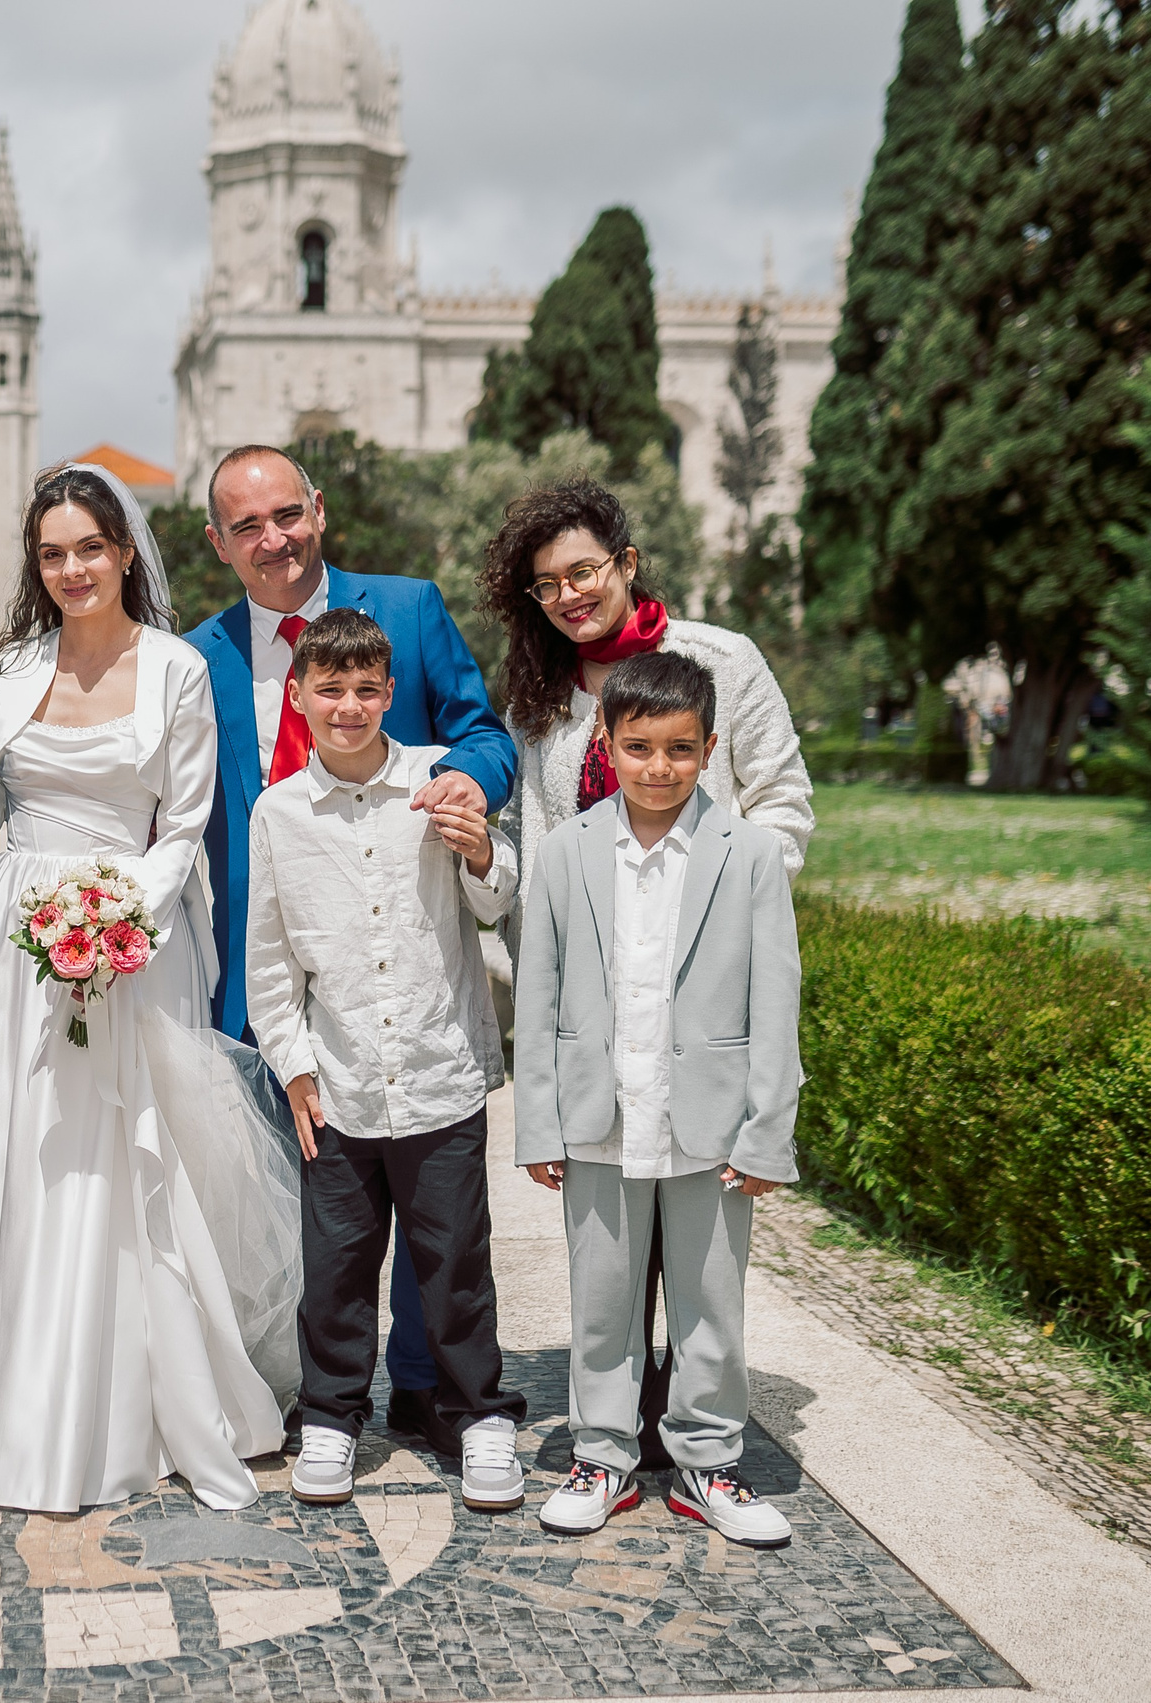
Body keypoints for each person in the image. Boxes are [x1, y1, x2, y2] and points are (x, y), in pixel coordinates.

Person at [0, 463, 301, 1514]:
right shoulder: (10, 668)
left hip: (130, 934)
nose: (72, 570)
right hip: (18, 938)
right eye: (52, 553)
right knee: (20, 1148)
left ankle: (137, 1399)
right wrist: (24, 912)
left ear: (125, 552)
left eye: (89, 548)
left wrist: (116, 923)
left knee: (121, 1156)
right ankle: (12, 1386)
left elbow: (184, 823)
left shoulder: (176, 670)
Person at [183, 443, 517, 1457]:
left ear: (318, 510)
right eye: (247, 525)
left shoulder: (406, 611)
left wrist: (466, 789)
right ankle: (306, 1389)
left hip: (406, 955)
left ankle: (429, 1384)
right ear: (218, 543)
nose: (273, 539)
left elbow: (483, 731)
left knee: (431, 1199)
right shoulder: (195, 656)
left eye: (287, 514)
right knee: (304, 1203)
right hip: (265, 967)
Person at [482, 475, 813, 1470]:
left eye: (584, 570)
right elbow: (529, 841)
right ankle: (612, 1429)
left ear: (626, 561)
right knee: (609, 1243)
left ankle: (696, 1425)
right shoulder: (539, 699)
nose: (569, 595)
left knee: (703, 1233)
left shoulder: (722, 661)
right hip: (598, 1000)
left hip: (703, 984)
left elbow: (781, 801)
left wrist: (723, 899)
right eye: (547, 584)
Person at [514, 650, 803, 1550]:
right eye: (639, 746)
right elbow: (538, 994)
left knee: (712, 1303)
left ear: (710, 748)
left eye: (681, 748)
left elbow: (776, 1000)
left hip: (710, 1125)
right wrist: (538, 1122)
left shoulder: (750, 853)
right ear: (606, 743)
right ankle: (601, 1455)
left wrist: (767, 1133)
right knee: (602, 1301)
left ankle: (710, 1461)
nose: (659, 766)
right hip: (599, 1119)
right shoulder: (564, 851)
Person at [243, 609, 528, 1514]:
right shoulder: (277, 813)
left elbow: (496, 901)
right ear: (298, 696)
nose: (349, 705)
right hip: (340, 1084)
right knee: (337, 1266)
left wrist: (481, 850)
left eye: (367, 689)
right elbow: (270, 962)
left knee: (455, 1263)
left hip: (440, 1072)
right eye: (330, 689)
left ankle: (480, 1412)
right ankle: (332, 1416)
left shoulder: (439, 782)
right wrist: (294, 1065)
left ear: (391, 693)